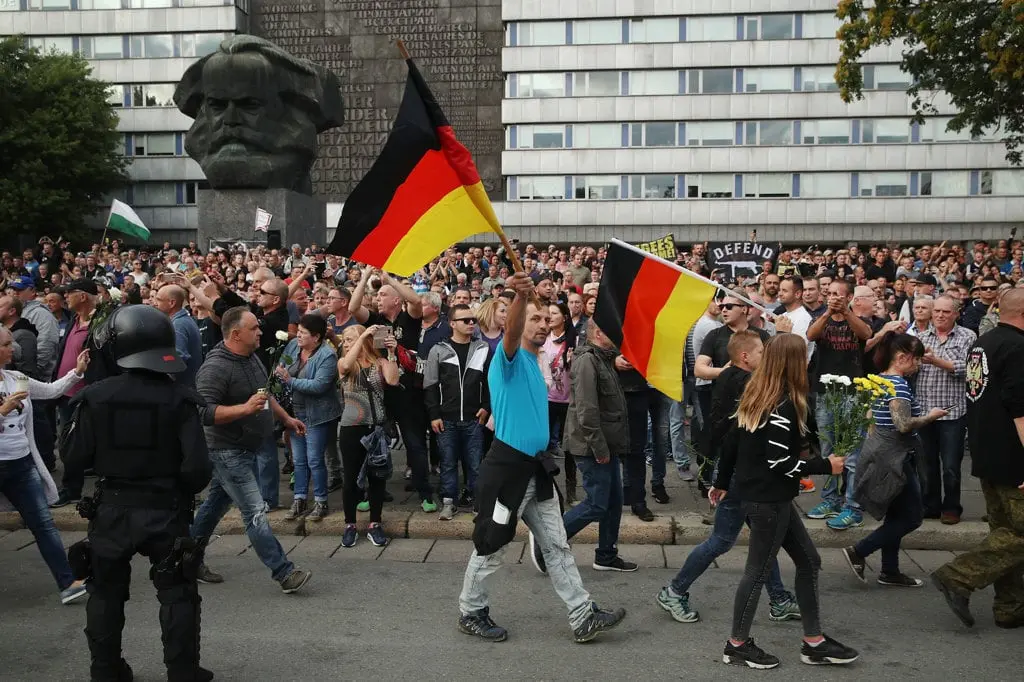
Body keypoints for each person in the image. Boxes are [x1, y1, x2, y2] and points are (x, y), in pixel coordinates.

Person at [457, 272, 625, 644]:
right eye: (534, 318)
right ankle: (470, 611)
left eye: (545, 318)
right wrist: (519, 297)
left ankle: (582, 615)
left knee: (557, 544)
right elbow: (512, 333)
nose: (541, 324)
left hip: (535, 469)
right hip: (505, 471)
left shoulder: (537, 362)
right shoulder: (508, 358)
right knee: (492, 544)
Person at [61, 305, 213, 681]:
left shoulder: (94, 397)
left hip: (111, 509)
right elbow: (197, 470)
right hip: (165, 507)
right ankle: (182, 671)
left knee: (105, 593)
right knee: (177, 592)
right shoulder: (182, 399)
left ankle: (106, 670)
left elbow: (73, 458)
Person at [712, 334, 857, 669]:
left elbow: (732, 439)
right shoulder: (783, 402)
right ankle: (737, 644)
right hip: (768, 499)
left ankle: (814, 641)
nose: (807, 361)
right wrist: (826, 466)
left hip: (767, 497)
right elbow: (778, 462)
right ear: (793, 362)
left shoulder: (756, 390)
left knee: (809, 561)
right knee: (758, 571)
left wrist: (721, 482)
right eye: (803, 356)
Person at [658, 330, 801, 624]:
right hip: (740, 472)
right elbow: (738, 434)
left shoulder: (728, 376)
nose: (766, 357)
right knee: (722, 540)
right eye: (762, 352)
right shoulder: (747, 383)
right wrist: (723, 481)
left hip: (736, 470)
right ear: (746, 357)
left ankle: (779, 599)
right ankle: (674, 590)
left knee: (763, 539)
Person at [189, 306, 312, 593]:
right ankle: (284, 573)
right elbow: (203, 412)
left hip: (247, 446)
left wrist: (286, 418)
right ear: (235, 334)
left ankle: (187, 560)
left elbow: (264, 392)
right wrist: (244, 409)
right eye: (254, 328)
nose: (260, 332)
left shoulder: (251, 356)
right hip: (226, 450)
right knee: (255, 510)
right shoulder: (216, 367)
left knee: (214, 506)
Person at [932, 288, 1024, 630]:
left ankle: (1010, 608)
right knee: (1018, 534)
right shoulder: (1017, 347)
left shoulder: (983, 343)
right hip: (1013, 458)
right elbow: (1021, 410)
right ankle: (958, 576)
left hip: (988, 453)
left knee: (1007, 532)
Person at [843, 333, 948, 589]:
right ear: (902, 357)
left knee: (895, 514)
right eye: (917, 359)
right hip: (896, 458)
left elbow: (869, 417)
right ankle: (859, 550)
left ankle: (890, 571)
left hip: (881, 452)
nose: (919, 365)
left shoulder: (878, 380)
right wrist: (931, 416)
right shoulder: (899, 385)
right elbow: (902, 425)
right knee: (912, 517)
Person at [0, 327, 88, 605]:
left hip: (21, 465)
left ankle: (68, 584)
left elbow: (51, 391)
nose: (12, 348)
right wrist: (2, 411)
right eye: (5, 344)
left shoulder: (16, 378)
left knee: (44, 525)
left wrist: (77, 371)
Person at [552, 320, 636, 572]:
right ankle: (550, 541)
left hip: (607, 445)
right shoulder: (588, 360)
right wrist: (600, 449)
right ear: (599, 333)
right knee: (597, 503)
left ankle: (606, 555)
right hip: (592, 447)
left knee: (612, 502)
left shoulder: (603, 358)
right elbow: (587, 411)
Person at [806, 280, 873, 529]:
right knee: (827, 451)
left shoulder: (856, 320)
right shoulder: (822, 319)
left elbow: (866, 335)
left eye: (839, 294)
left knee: (853, 455)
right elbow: (810, 335)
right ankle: (830, 500)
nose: (834, 297)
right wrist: (827, 313)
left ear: (850, 297)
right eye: (830, 294)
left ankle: (853, 507)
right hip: (825, 393)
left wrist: (845, 312)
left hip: (853, 394)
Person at [336, 324, 399, 548]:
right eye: (345, 339)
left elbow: (392, 380)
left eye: (351, 339)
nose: (347, 343)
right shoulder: (346, 364)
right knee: (351, 478)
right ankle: (350, 524)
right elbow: (345, 364)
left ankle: (375, 523)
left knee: (377, 477)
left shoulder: (379, 363)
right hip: (352, 427)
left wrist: (392, 353)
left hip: (376, 427)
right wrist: (362, 336)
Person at [425, 304, 490, 520]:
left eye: (473, 319)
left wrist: (486, 407)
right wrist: (434, 414)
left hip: (473, 418)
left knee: (475, 463)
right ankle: (448, 502)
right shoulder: (438, 350)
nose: (471, 323)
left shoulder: (482, 349)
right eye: (465, 320)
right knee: (448, 462)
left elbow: (490, 382)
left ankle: (478, 502)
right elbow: (431, 385)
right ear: (452, 324)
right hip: (446, 418)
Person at [915, 295, 976, 524]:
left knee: (950, 465)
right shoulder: (920, 337)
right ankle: (930, 505)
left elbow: (967, 369)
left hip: (953, 412)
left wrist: (935, 360)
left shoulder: (967, 336)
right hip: (924, 411)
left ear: (956, 314)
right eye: (937, 311)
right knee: (927, 463)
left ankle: (951, 507)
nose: (940, 315)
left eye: (946, 312)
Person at [275, 314, 342, 522]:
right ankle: (300, 499)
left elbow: (319, 385)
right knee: (299, 460)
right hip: (294, 412)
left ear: (317, 337)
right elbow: (282, 365)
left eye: (304, 333)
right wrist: (279, 373)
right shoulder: (294, 347)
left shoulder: (327, 355)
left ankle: (321, 501)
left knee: (314, 459)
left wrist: (290, 380)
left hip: (317, 415)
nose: (299, 336)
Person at [542, 302, 576, 502]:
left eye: (554, 313)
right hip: (547, 399)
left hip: (568, 401)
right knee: (544, 444)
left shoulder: (574, 340)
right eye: (548, 313)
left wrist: (574, 361)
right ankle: (546, 485)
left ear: (564, 317)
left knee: (569, 447)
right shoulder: (543, 339)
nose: (550, 316)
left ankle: (571, 489)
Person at [153, 283, 203, 388]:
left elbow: (177, 359)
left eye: (159, 300)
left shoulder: (178, 325)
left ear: (172, 303)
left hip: (183, 390)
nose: (154, 303)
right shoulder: (182, 320)